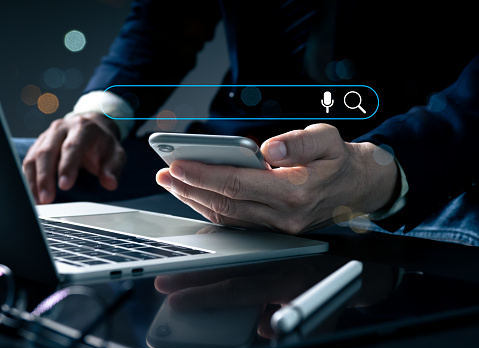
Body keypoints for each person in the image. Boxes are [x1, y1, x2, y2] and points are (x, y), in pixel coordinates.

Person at [19, 0, 479, 244]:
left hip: (427, 162)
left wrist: (383, 171)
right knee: (22, 166)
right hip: (236, 146)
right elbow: (164, 19)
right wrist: (98, 116)